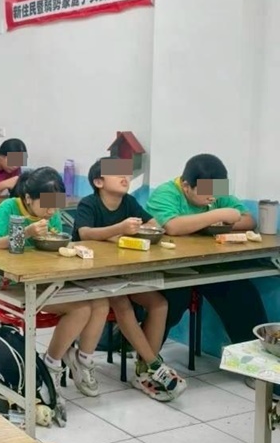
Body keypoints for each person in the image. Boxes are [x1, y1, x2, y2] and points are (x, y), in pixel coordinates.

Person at [0, 167, 110, 397]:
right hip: (12, 283)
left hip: (46, 278)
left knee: (101, 302)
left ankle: (83, 360)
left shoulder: (51, 214)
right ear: (28, 198)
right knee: (80, 309)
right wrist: (26, 232)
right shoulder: (9, 208)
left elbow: (53, 244)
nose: (51, 211)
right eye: (47, 205)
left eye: (55, 205)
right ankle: (51, 365)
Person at [73, 158, 185, 401]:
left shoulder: (129, 202)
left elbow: (153, 224)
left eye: (126, 173)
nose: (125, 177)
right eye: (117, 174)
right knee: (122, 304)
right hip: (92, 276)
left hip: (123, 272)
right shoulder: (89, 203)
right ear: (99, 182)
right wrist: (119, 229)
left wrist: (151, 230)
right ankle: (154, 365)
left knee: (159, 303)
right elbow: (85, 233)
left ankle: (143, 369)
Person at [147, 153, 268, 350]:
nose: (212, 197)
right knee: (173, 301)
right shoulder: (166, 193)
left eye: (215, 191)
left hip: (210, 264)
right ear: (186, 186)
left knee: (242, 295)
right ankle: (146, 357)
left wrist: (218, 221)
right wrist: (217, 215)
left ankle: (253, 357)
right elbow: (173, 226)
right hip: (171, 268)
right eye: (205, 192)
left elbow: (249, 220)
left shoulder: (214, 189)